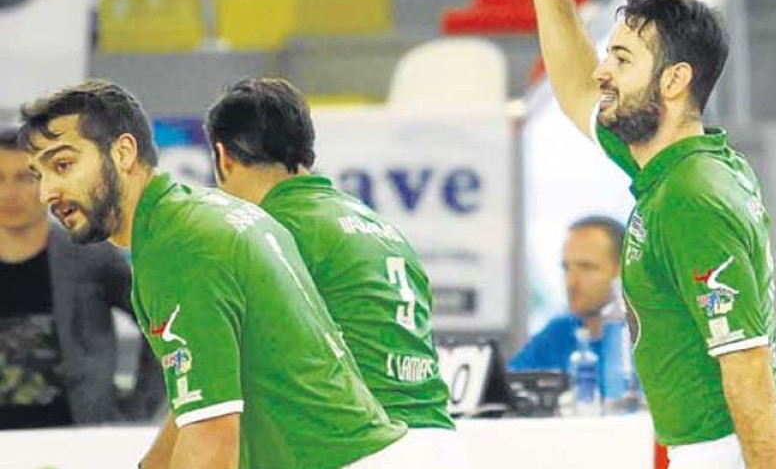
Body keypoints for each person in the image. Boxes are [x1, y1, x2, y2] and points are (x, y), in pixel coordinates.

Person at [503, 0, 776, 469]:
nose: (604, 70)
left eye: (623, 58)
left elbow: (746, 368)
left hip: (739, 454)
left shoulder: (690, 197)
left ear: (675, 80)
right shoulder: (676, 169)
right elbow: (579, 90)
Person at [19, 81, 411, 469]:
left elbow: (212, 440)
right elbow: (201, 402)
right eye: (39, 174)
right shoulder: (199, 217)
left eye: (63, 165)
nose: (47, 193)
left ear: (123, 152)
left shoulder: (181, 247)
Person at [204, 78, 466, 466]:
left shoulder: (260, 233)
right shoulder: (383, 229)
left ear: (223, 157)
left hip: (356, 447)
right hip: (440, 445)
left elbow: (218, 390)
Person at [0, 124, 162, 429]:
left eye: (25, 178)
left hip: (79, 445)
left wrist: (139, 409)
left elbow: (160, 323)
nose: (10, 193)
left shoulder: (90, 258)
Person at [509, 215, 633, 403]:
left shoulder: (649, 338)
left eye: (587, 267)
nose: (571, 282)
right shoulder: (558, 333)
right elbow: (505, 392)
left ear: (623, 270)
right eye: (566, 268)